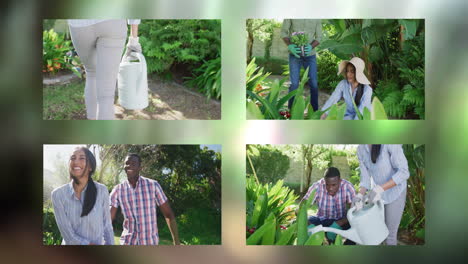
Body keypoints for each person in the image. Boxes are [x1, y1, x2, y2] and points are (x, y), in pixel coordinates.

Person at [68, 19, 142, 120]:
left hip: (80, 24)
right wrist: (133, 39)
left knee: (91, 73)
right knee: (107, 95)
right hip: (113, 21)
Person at [110, 153, 180, 245]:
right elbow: (108, 217)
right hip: (128, 243)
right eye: (127, 163)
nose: (129, 166)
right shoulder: (118, 190)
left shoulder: (153, 185)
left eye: (133, 163)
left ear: (140, 167)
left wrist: (176, 241)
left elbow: (168, 214)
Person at [51, 147, 114, 245]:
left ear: (90, 167)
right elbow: (68, 236)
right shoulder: (58, 195)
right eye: (72, 158)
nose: (76, 161)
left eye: (81, 158)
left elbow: (107, 227)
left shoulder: (102, 191)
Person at [353, 145, 410, 245]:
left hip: (395, 192)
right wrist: (359, 196)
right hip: (377, 194)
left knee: (389, 236)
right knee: (376, 233)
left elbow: (404, 172)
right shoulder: (361, 149)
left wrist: (379, 189)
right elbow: (365, 177)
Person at [301, 167, 356, 245]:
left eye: (334, 185)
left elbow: (355, 211)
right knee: (303, 223)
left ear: (340, 181)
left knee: (356, 226)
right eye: (327, 185)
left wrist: (340, 222)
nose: (330, 188)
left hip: (341, 221)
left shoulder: (348, 187)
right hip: (321, 220)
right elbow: (300, 209)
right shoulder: (317, 186)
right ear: (324, 181)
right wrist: (310, 225)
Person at [280, 19, 322, 111]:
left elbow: (319, 37)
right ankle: (291, 111)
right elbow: (283, 32)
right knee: (294, 84)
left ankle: (314, 111)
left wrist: (311, 46)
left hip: (310, 55)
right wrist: (290, 45)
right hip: (294, 55)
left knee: (314, 84)